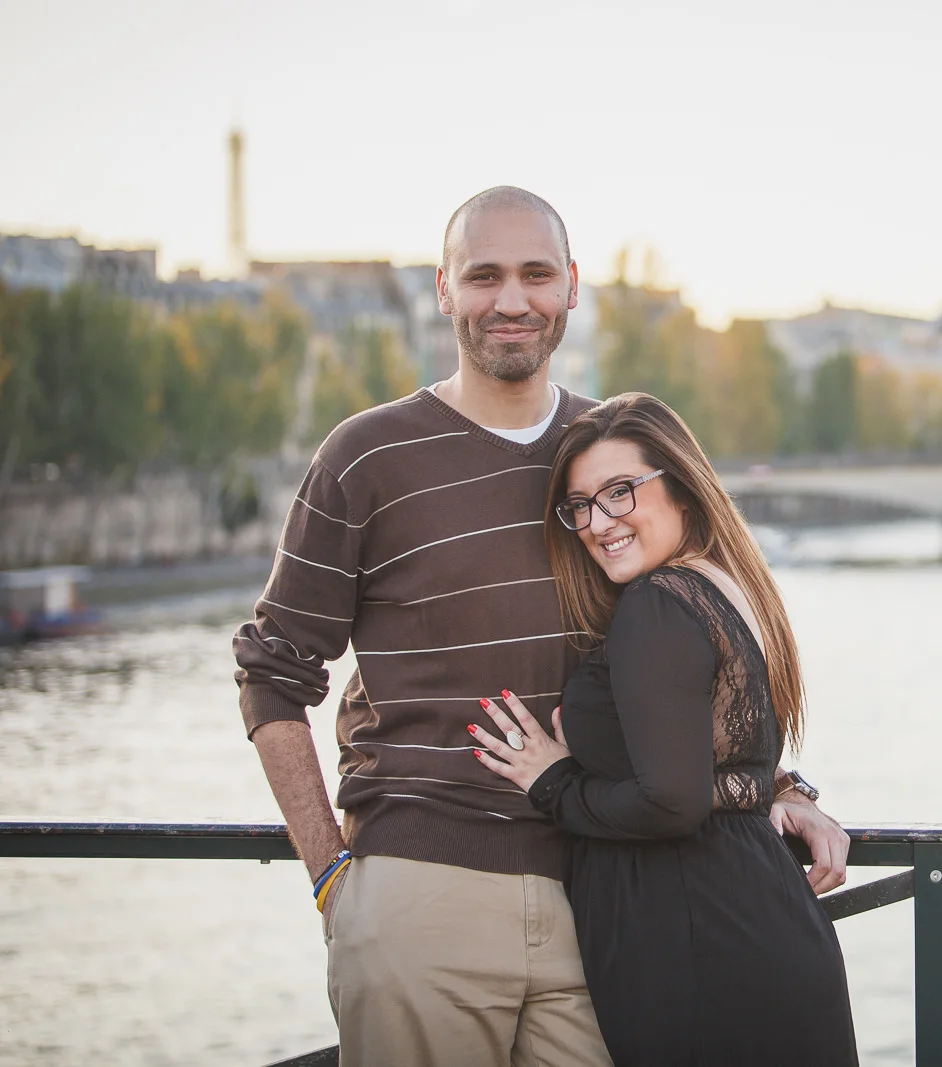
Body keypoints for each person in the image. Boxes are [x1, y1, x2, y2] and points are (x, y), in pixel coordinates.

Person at [232, 186, 851, 1067]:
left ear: (570, 287)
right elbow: (272, 671)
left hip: (605, 903)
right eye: (484, 275)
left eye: (534, 275)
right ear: (445, 290)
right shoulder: (366, 456)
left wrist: (778, 788)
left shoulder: (605, 465)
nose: (511, 299)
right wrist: (334, 876)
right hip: (423, 892)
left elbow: (680, 660)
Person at [471, 392, 859, 1065]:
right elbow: (718, 758)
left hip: (698, 946)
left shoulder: (655, 604)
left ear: (680, 486)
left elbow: (672, 799)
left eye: (621, 492)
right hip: (750, 923)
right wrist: (783, 791)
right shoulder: (725, 585)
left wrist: (554, 782)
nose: (598, 522)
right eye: (581, 504)